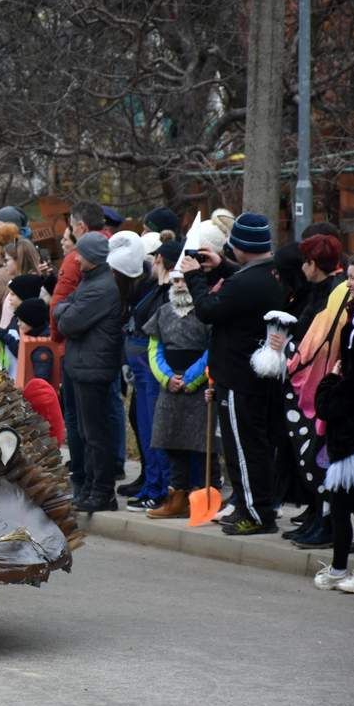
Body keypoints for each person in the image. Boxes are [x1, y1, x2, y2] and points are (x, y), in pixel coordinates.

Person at [180, 213, 287, 535]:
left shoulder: (245, 283)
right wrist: (223, 265)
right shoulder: (269, 274)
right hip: (254, 374)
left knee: (243, 447)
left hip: (240, 377)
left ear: (240, 245)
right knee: (253, 445)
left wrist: (195, 277)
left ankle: (255, 513)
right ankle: (248, 504)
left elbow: (208, 310)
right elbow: (242, 285)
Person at [142, 241, 220, 519]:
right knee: (172, 441)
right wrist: (166, 378)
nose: (178, 284)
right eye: (174, 280)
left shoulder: (206, 313)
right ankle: (177, 496)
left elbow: (214, 349)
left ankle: (207, 492)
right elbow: (154, 349)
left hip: (198, 386)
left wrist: (192, 378)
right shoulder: (162, 313)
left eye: (183, 279)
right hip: (170, 386)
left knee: (203, 444)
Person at [55, 233, 122, 513]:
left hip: (93, 367)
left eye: (80, 254)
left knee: (95, 433)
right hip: (84, 365)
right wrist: (64, 309)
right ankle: (92, 488)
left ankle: (102, 492)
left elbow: (68, 321)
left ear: (92, 257)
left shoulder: (100, 287)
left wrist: (63, 310)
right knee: (86, 431)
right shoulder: (92, 281)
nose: (76, 258)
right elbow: (66, 309)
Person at [311, 254, 354, 592]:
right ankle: (340, 566)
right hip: (346, 429)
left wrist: (328, 390)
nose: (349, 282)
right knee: (342, 503)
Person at [111, 230, 168, 511]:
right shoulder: (145, 290)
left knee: (151, 430)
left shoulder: (157, 291)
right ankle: (151, 482)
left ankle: (158, 486)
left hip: (150, 369)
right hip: (140, 369)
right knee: (144, 427)